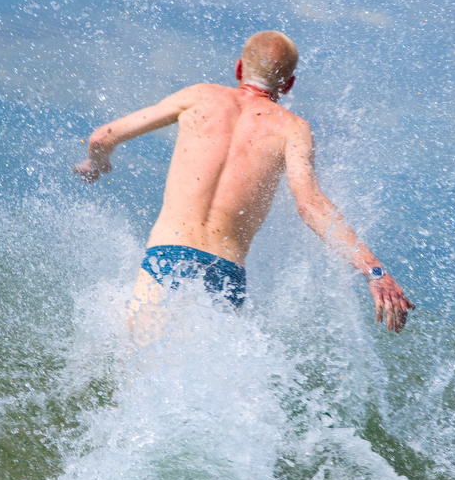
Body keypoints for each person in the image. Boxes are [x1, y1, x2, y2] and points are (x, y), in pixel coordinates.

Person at [73, 30, 414, 334]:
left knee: (138, 372)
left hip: (168, 254)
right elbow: (310, 205)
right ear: (289, 84)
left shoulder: (198, 96)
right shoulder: (293, 129)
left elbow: (103, 137)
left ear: (239, 68)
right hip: (226, 273)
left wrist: (96, 165)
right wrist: (375, 272)